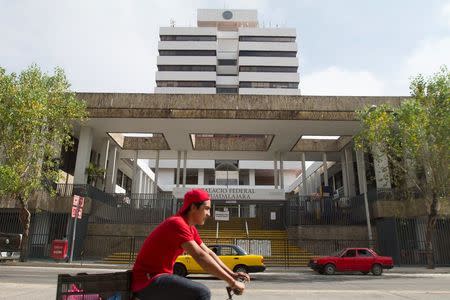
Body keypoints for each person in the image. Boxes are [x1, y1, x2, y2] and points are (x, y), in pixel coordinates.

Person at [132, 188, 248, 299]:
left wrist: (232, 274)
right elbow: (200, 257)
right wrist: (232, 282)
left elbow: (207, 252)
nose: (209, 214)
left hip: (160, 278)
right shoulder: (177, 224)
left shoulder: (190, 228)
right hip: (148, 281)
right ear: (193, 207)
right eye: (206, 208)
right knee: (201, 293)